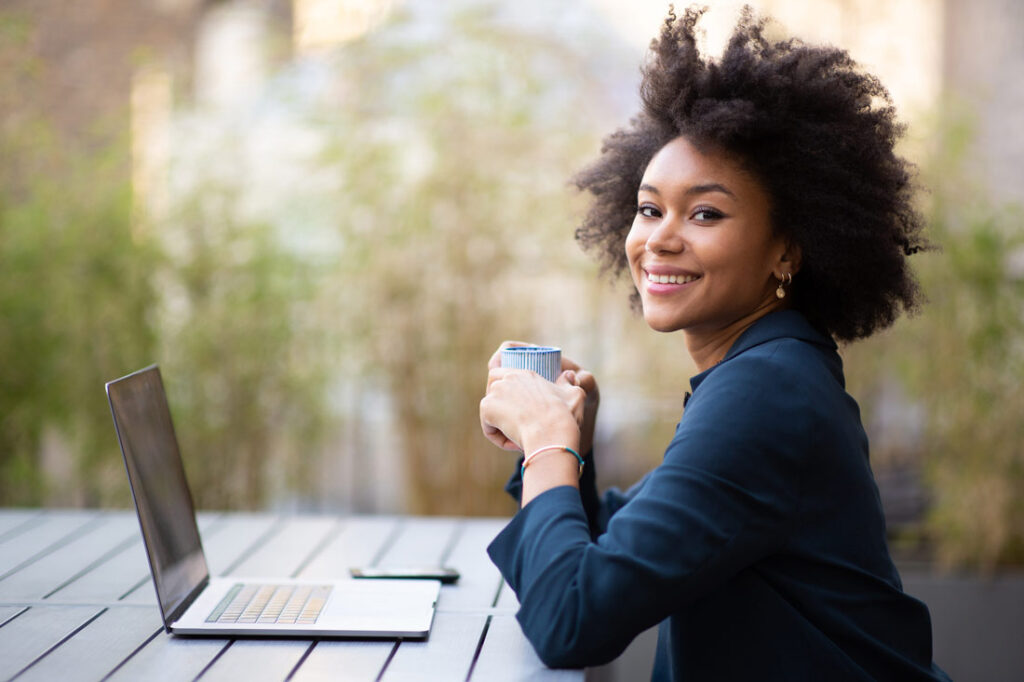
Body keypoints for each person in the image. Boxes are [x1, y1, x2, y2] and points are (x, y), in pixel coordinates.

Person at [478, 7, 951, 681]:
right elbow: (615, 548)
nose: (659, 238)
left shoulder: (767, 392)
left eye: (705, 212)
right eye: (649, 208)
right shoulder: (766, 371)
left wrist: (549, 441)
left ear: (788, 249)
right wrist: (561, 448)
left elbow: (572, 619)